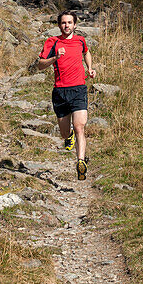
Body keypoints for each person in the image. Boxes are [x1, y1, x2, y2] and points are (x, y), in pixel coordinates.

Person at [38, 10, 95, 180]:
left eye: (69, 23)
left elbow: (86, 52)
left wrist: (90, 68)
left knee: (80, 126)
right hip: (60, 91)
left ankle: (81, 161)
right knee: (64, 133)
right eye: (63, 23)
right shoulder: (52, 42)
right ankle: (68, 136)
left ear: (75, 25)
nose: (66, 26)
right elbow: (40, 65)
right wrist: (55, 57)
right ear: (59, 25)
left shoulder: (80, 40)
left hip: (79, 89)